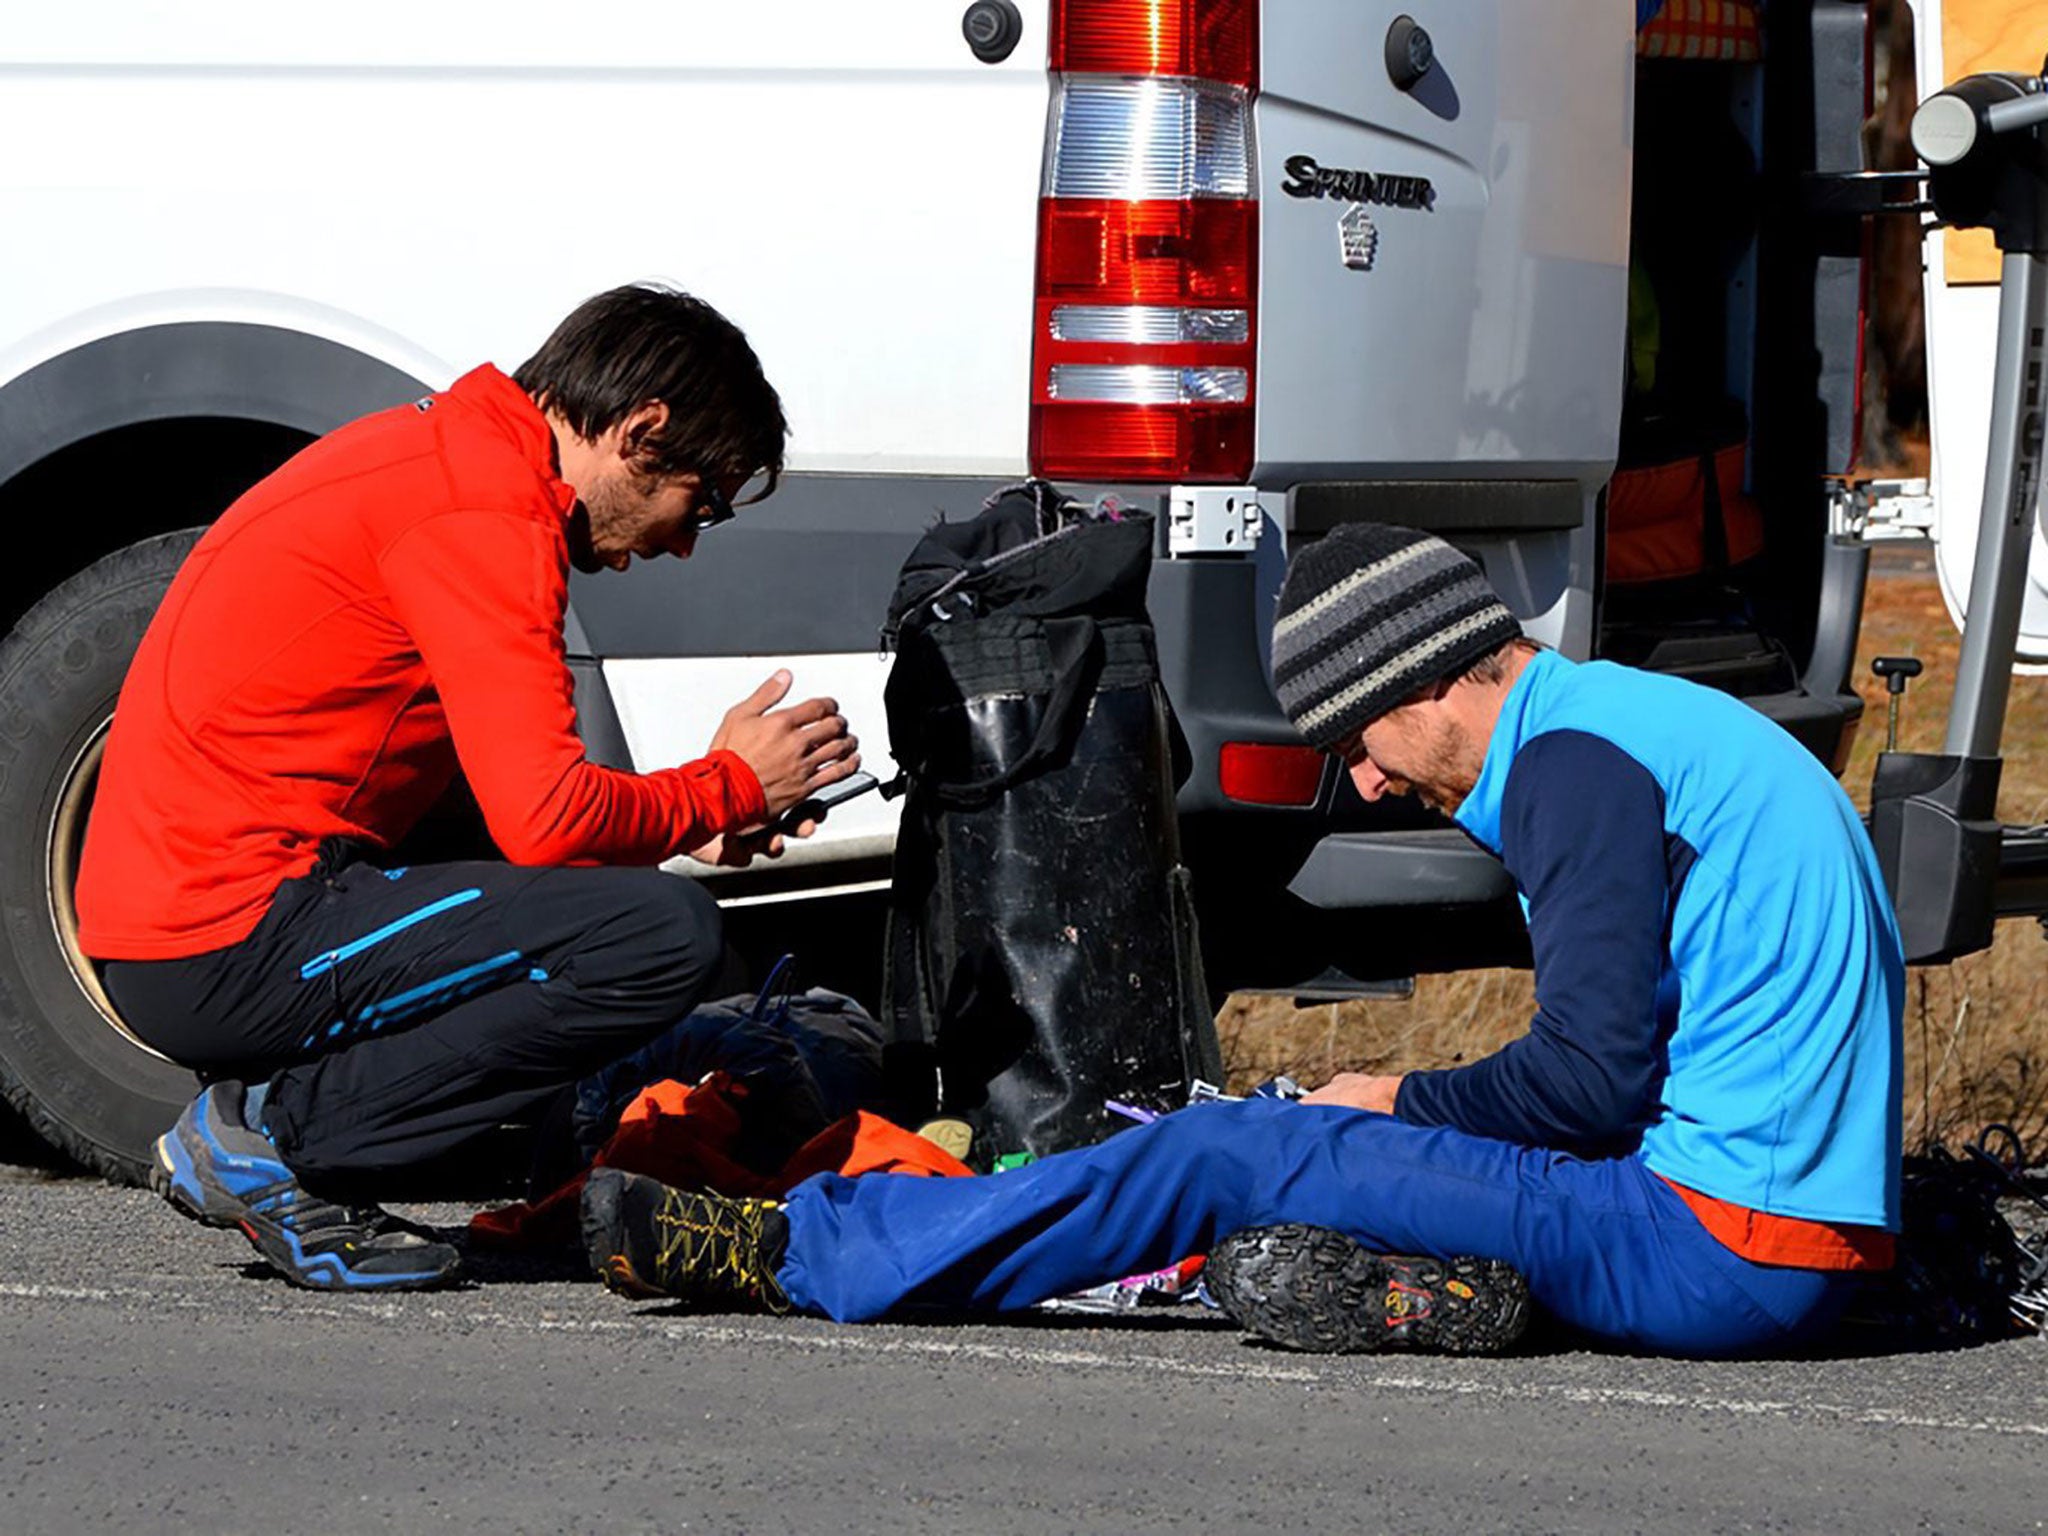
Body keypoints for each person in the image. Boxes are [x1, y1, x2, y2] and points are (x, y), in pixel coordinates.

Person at [579, 523, 1905, 1358]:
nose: (1370, 786)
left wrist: (1386, 1096)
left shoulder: (1572, 766)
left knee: (1233, 1142)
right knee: (1309, 1141)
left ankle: (793, 1252)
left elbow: (1586, 1085)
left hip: (1716, 1251)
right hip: (1795, 1237)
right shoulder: (1644, 726)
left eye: (1357, 744)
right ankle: (1429, 1283)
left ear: (1431, 678)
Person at [79, 284, 861, 1292]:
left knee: (615, 906)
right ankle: (265, 1135)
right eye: (698, 503)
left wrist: (687, 818)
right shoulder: (485, 515)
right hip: (223, 933)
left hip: (195, 915)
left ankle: (284, 1119)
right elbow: (543, 823)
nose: (681, 543)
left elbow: (521, 801)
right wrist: (720, 789)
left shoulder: (449, 456)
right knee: (659, 939)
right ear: (642, 433)